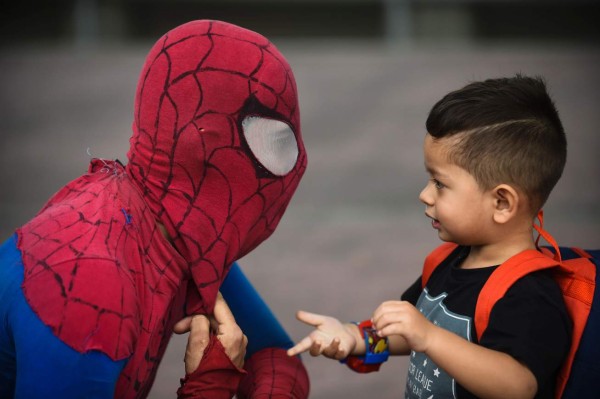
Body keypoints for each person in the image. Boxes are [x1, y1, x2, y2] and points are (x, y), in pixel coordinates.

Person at [0, 20, 309, 398]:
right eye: (272, 142)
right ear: (207, 144)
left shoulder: (178, 229)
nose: (291, 164)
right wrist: (208, 388)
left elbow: (281, 358)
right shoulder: (88, 282)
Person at [287, 75, 572, 398]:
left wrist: (430, 337)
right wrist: (355, 337)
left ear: (502, 203)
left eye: (440, 183)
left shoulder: (529, 293)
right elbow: (405, 332)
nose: (425, 195)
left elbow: (518, 385)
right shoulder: (448, 261)